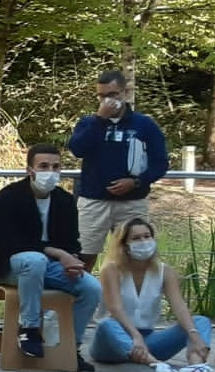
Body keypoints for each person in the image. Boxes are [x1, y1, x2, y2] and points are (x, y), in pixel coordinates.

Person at [0, 144, 101, 371]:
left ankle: (70, 348)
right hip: (10, 265)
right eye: (43, 166)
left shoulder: (65, 201)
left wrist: (73, 260)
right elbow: (10, 242)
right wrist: (58, 253)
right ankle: (29, 330)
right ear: (30, 170)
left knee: (92, 287)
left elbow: (71, 241)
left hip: (49, 267)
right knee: (35, 260)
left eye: (56, 167)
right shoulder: (8, 198)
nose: (50, 171)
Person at [89, 217, 215, 372]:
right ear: (124, 245)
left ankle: (195, 366)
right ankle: (158, 366)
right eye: (136, 238)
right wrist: (135, 336)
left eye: (147, 236)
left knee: (200, 321)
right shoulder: (112, 269)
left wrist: (194, 335)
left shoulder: (164, 271)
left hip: (148, 342)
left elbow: (179, 306)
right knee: (106, 325)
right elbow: (115, 308)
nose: (143, 242)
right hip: (112, 342)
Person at [68, 68, 168, 266]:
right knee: (83, 257)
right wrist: (100, 120)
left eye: (113, 94)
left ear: (124, 93)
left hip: (132, 202)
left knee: (135, 257)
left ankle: (128, 296)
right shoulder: (89, 123)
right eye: (102, 96)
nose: (108, 100)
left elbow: (161, 163)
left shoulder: (144, 125)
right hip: (93, 201)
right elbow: (77, 149)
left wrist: (136, 182)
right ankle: (82, 296)